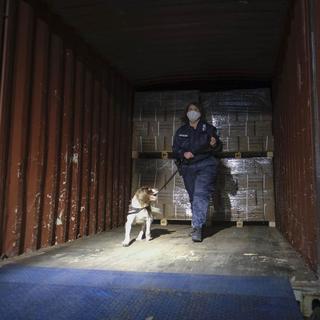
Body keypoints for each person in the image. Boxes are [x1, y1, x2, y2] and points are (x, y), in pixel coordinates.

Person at [172, 102, 222, 242]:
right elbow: (175, 150)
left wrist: (215, 144)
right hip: (188, 167)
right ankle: (197, 225)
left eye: (195, 109)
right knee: (193, 196)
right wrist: (183, 154)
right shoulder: (181, 131)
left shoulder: (209, 129)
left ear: (200, 113)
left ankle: (197, 227)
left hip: (206, 165)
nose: (192, 112)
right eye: (190, 109)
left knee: (201, 193)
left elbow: (218, 148)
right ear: (186, 112)